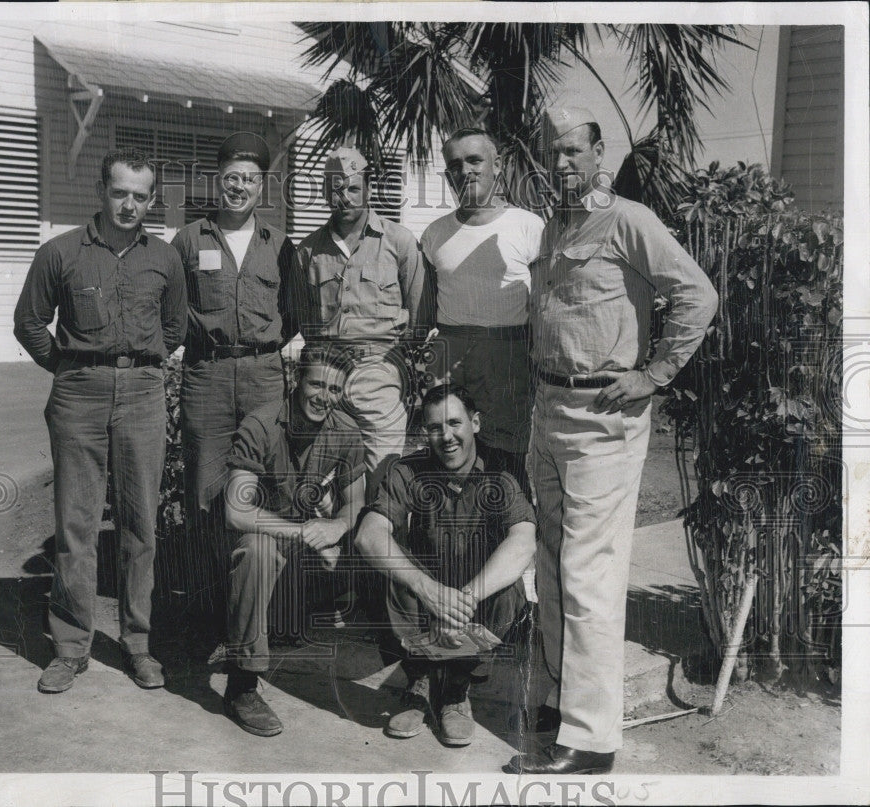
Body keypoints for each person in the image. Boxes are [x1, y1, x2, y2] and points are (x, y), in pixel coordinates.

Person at [510, 105, 719, 774]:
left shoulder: (629, 220)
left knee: (588, 576)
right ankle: (559, 700)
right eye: (554, 151)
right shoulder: (555, 225)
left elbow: (698, 296)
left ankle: (591, 740)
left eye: (575, 150)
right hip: (551, 411)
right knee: (549, 565)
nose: (563, 162)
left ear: (599, 153)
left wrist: (654, 373)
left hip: (604, 417)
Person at [13, 148, 187, 693]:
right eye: (119, 192)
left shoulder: (165, 259)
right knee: (75, 524)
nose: (129, 204)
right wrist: (67, 368)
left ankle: (137, 644)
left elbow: (174, 330)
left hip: (142, 393)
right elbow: (30, 322)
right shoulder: (59, 253)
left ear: (152, 200)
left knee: (140, 526)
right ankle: (69, 647)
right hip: (78, 394)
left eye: (140, 195)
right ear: (101, 191)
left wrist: (138, 370)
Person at [355, 384, 536, 747]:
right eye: (435, 427)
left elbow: (523, 539)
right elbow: (368, 535)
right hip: (428, 590)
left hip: (476, 589)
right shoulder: (408, 470)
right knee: (388, 570)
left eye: (455, 423)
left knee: (510, 588)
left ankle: (456, 687)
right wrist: (430, 590)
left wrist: (463, 599)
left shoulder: (504, 468)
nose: (446, 436)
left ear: (476, 423)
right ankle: (419, 680)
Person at [171, 132, 298, 642]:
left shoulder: (279, 246)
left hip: (264, 375)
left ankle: (260, 610)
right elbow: (173, 308)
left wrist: (260, 349)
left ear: (262, 186)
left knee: (264, 484)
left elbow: (291, 315)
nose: (238, 188)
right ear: (215, 180)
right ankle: (209, 609)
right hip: (207, 375)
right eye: (230, 178)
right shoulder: (188, 240)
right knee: (205, 488)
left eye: (249, 179)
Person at [222, 342, 366, 736]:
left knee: (357, 551)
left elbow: (356, 502)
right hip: (260, 539)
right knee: (258, 550)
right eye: (317, 385)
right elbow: (236, 510)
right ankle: (242, 683)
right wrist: (303, 532)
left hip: (302, 547)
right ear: (295, 378)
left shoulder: (345, 430)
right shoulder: (262, 424)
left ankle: (286, 618)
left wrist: (336, 527)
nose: (324, 398)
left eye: (335, 390)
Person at [293, 146, 430, 496]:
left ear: (368, 189)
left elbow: (420, 312)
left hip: (378, 370)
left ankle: (381, 540)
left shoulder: (398, 242)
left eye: (353, 188)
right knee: (319, 476)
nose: (345, 197)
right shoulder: (308, 251)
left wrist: (396, 363)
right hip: (325, 372)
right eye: (336, 188)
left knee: (384, 474)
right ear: (325, 193)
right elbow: (303, 318)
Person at [420, 128, 544, 492]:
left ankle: (514, 537)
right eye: (455, 165)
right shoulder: (434, 234)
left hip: (509, 356)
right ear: (448, 175)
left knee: (506, 460)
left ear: (498, 165)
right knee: (449, 453)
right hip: (450, 354)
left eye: (475, 160)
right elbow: (425, 310)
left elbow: (542, 306)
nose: (466, 171)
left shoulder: (528, 226)